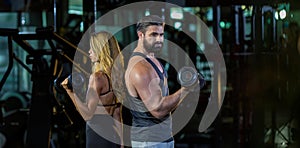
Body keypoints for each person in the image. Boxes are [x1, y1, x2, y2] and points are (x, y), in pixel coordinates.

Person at [125, 15, 198, 148]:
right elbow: (158, 110)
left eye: (161, 34)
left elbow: (165, 102)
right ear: (140, 35)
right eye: (153, 34)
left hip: (161, 139)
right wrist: (186, 89)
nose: (159, 39)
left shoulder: (152, 58)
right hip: (149, 142)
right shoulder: (140, 68)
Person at [61, 31, 124, 148]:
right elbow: (116, 113)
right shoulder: (115, 77)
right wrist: (121, 141)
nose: (89, 51)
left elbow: (88, 114)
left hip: (97, 134)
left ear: (100, 50)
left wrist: (69, 91)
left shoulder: (97, 78)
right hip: (112, 134)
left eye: (93, 48)